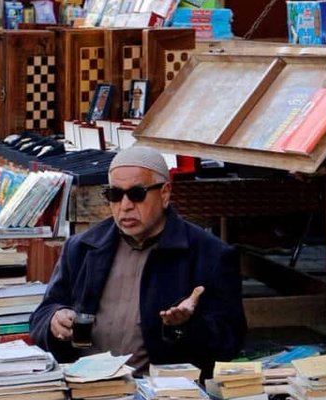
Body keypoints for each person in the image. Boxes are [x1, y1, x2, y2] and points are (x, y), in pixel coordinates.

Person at [30, 146, 246, 377]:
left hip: (163, 396)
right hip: (86, 388)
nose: (125, 206)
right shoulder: (83, 248)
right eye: (114, 195)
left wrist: (186, 326)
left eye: (137, 194)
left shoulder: (209, 254)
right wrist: (55, 320)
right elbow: (42, 315)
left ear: (164, 194)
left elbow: (229, 342)